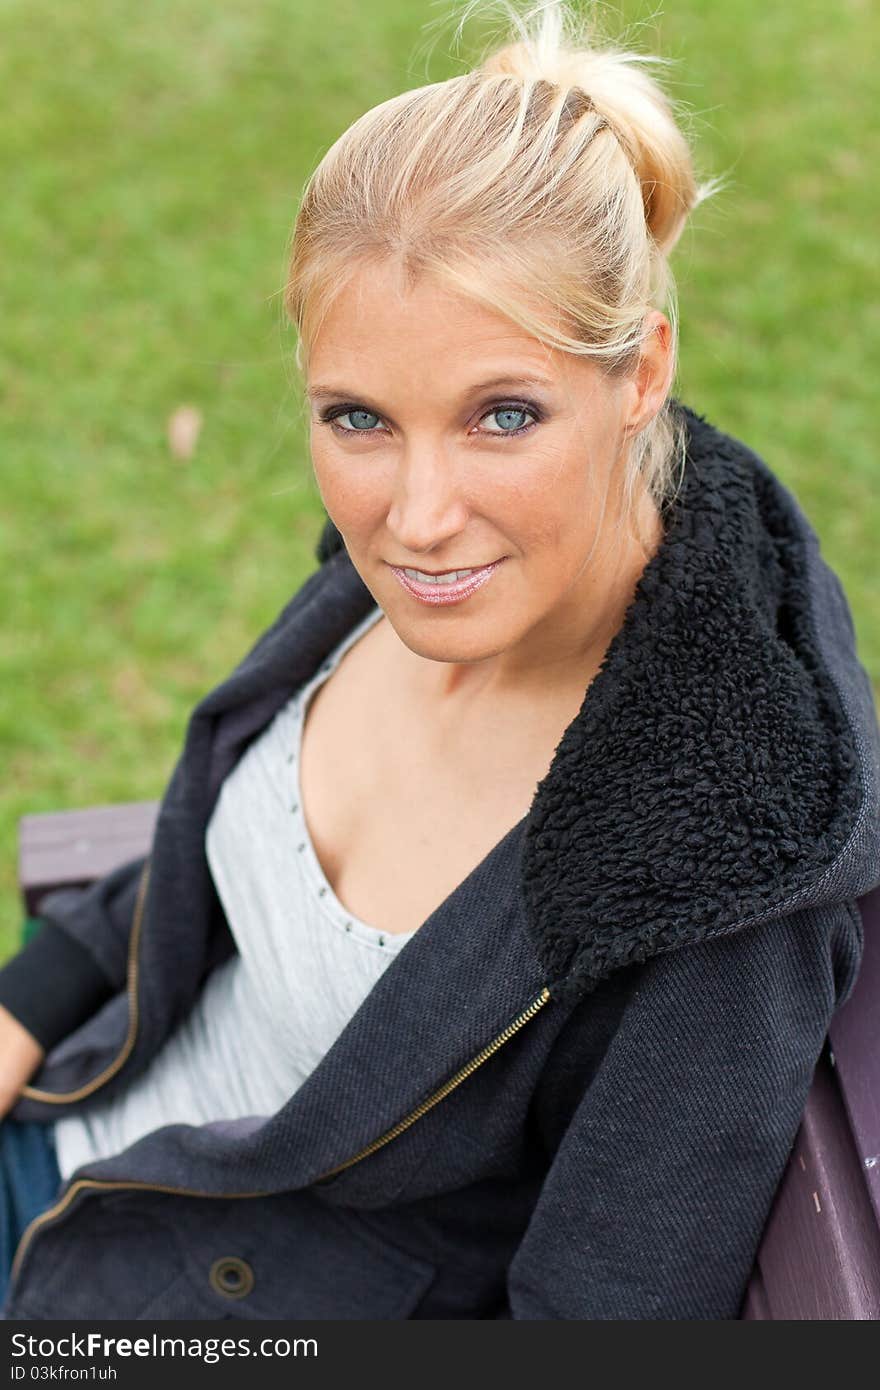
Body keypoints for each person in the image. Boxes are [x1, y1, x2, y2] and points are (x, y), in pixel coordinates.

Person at [1, 0, 878, 1321]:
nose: (414, 517)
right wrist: (27, 1003)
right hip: (76, 1143)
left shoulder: (722, 862)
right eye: (358, 416)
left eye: (501, 415)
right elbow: (212, 859)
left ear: (641, 370)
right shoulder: (448, 574)